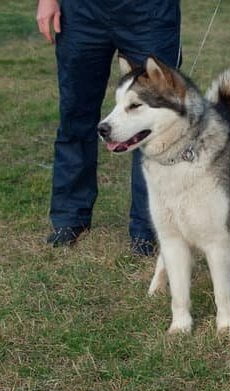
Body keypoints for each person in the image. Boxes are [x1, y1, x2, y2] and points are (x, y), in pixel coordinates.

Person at [36, 0, 182, 255]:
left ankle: (147, 230)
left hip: (150, 12)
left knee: (156, 122)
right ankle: (70, 218)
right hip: (80, 12)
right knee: (75, 114)